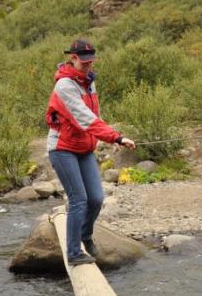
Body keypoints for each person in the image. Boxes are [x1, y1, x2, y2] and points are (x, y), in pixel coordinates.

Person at [46, 39, 135, 266]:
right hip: (62, 149)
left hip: (84, 148)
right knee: (79, 200)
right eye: (84, 62)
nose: (88, 65)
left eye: (91, 62)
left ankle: (85, 235)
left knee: (96, 199)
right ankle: (74, 253)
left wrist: (110, 136)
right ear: (73, 58)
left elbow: (96, 117)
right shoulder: (64, 86)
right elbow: (84, 119)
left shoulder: (89, 83)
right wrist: (116, 137)